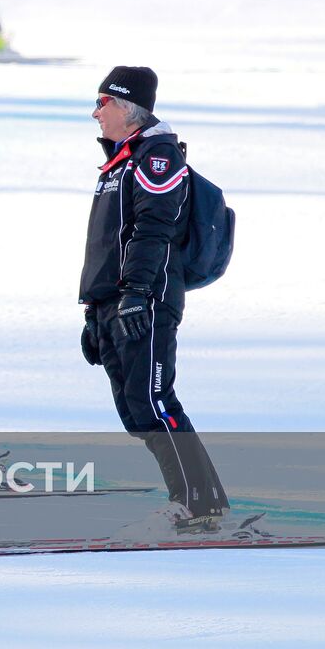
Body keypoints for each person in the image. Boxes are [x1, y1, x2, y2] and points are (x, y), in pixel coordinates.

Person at [80, 66, 229, 534]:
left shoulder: (156, 156)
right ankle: (203, 501)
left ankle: (196, 506)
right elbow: (110, 244)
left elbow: (153, 230)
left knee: (153, 401)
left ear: (127, 108)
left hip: (147, 299)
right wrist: (94, 310)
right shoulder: (118, 161)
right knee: (135, 409)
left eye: (102, 103)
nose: (95, 113)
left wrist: (137, 296)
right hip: (115, 301)